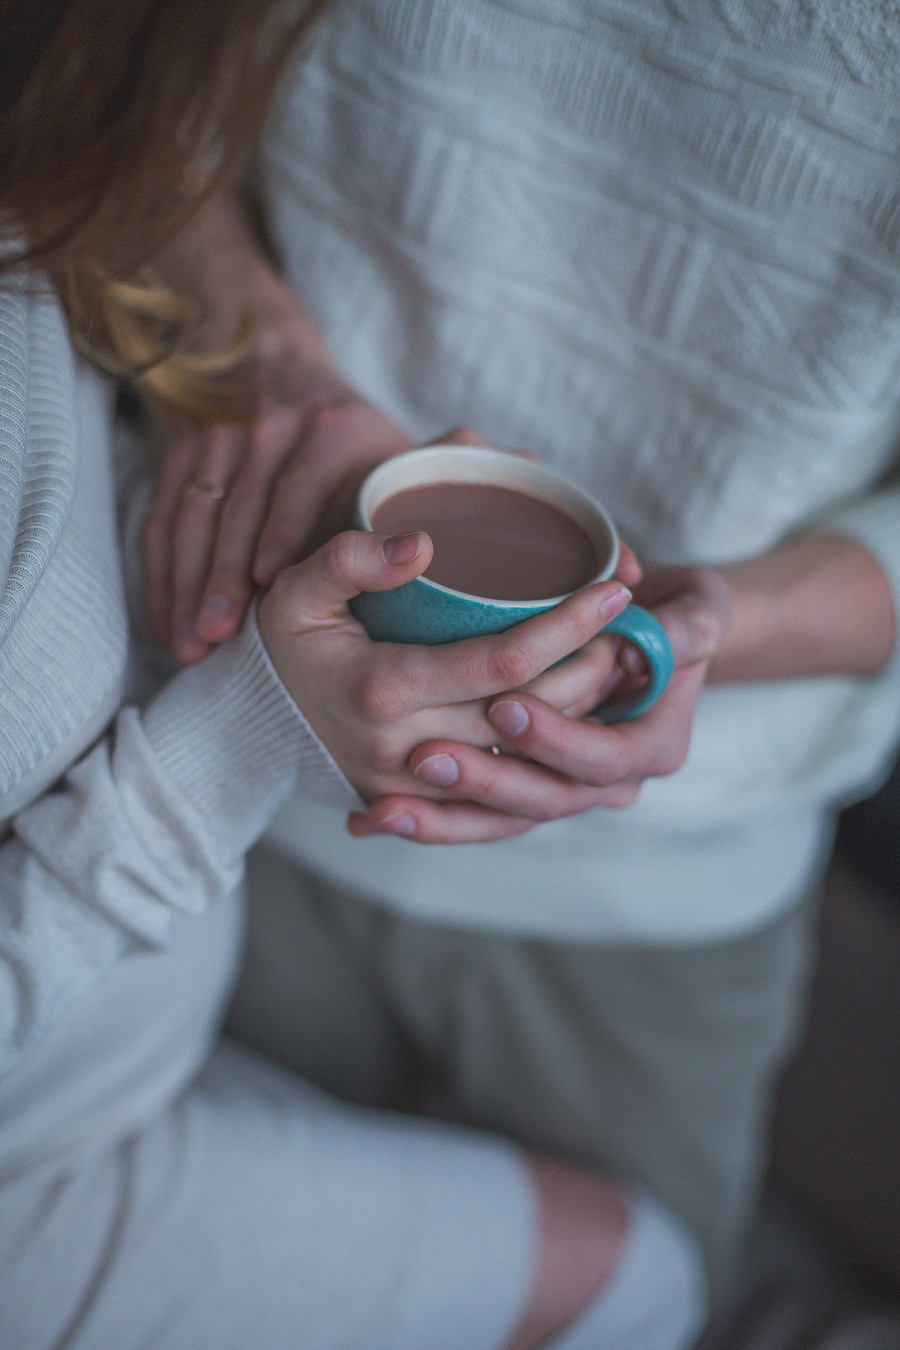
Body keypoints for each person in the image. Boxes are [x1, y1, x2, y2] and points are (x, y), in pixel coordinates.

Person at [145, 0, 900, 1303]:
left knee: (637, 1299)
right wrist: (268, 362)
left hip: (668, 901)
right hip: (245, 780)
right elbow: (91, 89)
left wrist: (710, 628)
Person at [0, 3, 708, 1348]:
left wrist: (247, 516)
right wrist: (248, 733)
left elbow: (35, 549)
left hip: (121, 1035)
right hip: (28, 1164)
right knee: (647, 1278)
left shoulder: (26, 139)